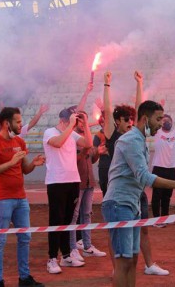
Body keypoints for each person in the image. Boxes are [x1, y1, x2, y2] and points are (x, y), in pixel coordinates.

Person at [101, 100, 175, 286]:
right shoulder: (131, 140)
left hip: (130, 204)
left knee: (132, 260)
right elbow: (144, 177)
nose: (161, 123)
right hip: (119, 204)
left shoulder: (139, 139)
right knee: (123, 261)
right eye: (158, 119)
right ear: (145, 118)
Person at [0, 107, 45, 287]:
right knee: (0, 240)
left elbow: (24, 169)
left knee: (25, 238)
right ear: (6, 123)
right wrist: (11, 162)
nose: (21, 124)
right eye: (18, 121)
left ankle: (24, 278)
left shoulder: (19, 142)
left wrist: (33, 163)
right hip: (2, 199)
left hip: (20, 198)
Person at [43, 106, 92, 274]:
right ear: (63, 120)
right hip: (56, 182)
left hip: (73, 181)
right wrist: (71, 126)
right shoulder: (49, 132)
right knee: (56, 220)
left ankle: (65, 255)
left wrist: (85, 125)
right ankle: (51, 258)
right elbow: (57, 143)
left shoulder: (72, 133)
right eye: (71, 119)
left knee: (68, 220)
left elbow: (88, 144)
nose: (74, 122)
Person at [69, 110, 107, 262]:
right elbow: (71, 160)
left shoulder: (87, 137)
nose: (83, 123)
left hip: (89, 181)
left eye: (84, 120)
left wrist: (97, 152)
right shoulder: (71, 137)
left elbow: (91, 160)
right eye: (80, 120)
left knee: (87, 214)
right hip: (76, 181)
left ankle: (87, 246)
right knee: (74, 216)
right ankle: (72, 248)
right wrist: (84, 152)